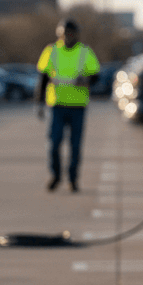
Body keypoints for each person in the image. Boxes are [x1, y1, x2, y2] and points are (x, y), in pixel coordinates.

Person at [36, 19, 101, 192]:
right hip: (57, 105)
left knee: (75, 145)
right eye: (64, 34)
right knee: (54, 143)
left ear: (76, 35)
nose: (67, 37)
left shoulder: (85, 52)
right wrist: (39, 103)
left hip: (78, 106)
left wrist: (85, 80)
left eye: (70, 34)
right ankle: (56, 175)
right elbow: (43, 78)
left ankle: (73, 179)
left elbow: (96, 76)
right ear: (59, 34)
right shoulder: (51, 51)